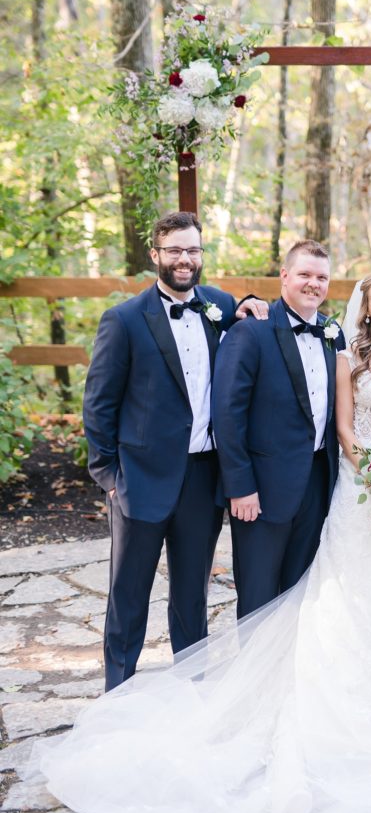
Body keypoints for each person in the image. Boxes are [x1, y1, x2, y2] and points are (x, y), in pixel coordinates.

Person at [35, 268, 371, 813]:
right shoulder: (347, 356)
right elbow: (344, 430)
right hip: (366, 491)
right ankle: (327, 698)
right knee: (354, 593)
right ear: (364, 307)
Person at [83, 210, 264, 691]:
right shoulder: (124, 320)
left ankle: (190, 693)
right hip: (138, 479)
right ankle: (118, 693)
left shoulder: (220, 305)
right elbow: (98, 405)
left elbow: (248, 328)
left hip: (203, 476)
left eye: (193, 250)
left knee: (191, 596)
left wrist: (251, 302)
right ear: (155, 255)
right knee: (128, 595)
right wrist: (110, 477)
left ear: (202, 254)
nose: (185, 259)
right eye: (175, 250)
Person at [212, 239, 345, 618]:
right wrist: (240, 487)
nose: (313, 284)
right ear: (284, 276)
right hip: (262, 489)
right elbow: (227, 414)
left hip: (318, 482)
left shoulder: (332, 332)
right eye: (304, 274)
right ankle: (255, 661)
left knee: (299, 594)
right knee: (258, 595)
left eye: (321, 277)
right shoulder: (250, 332)